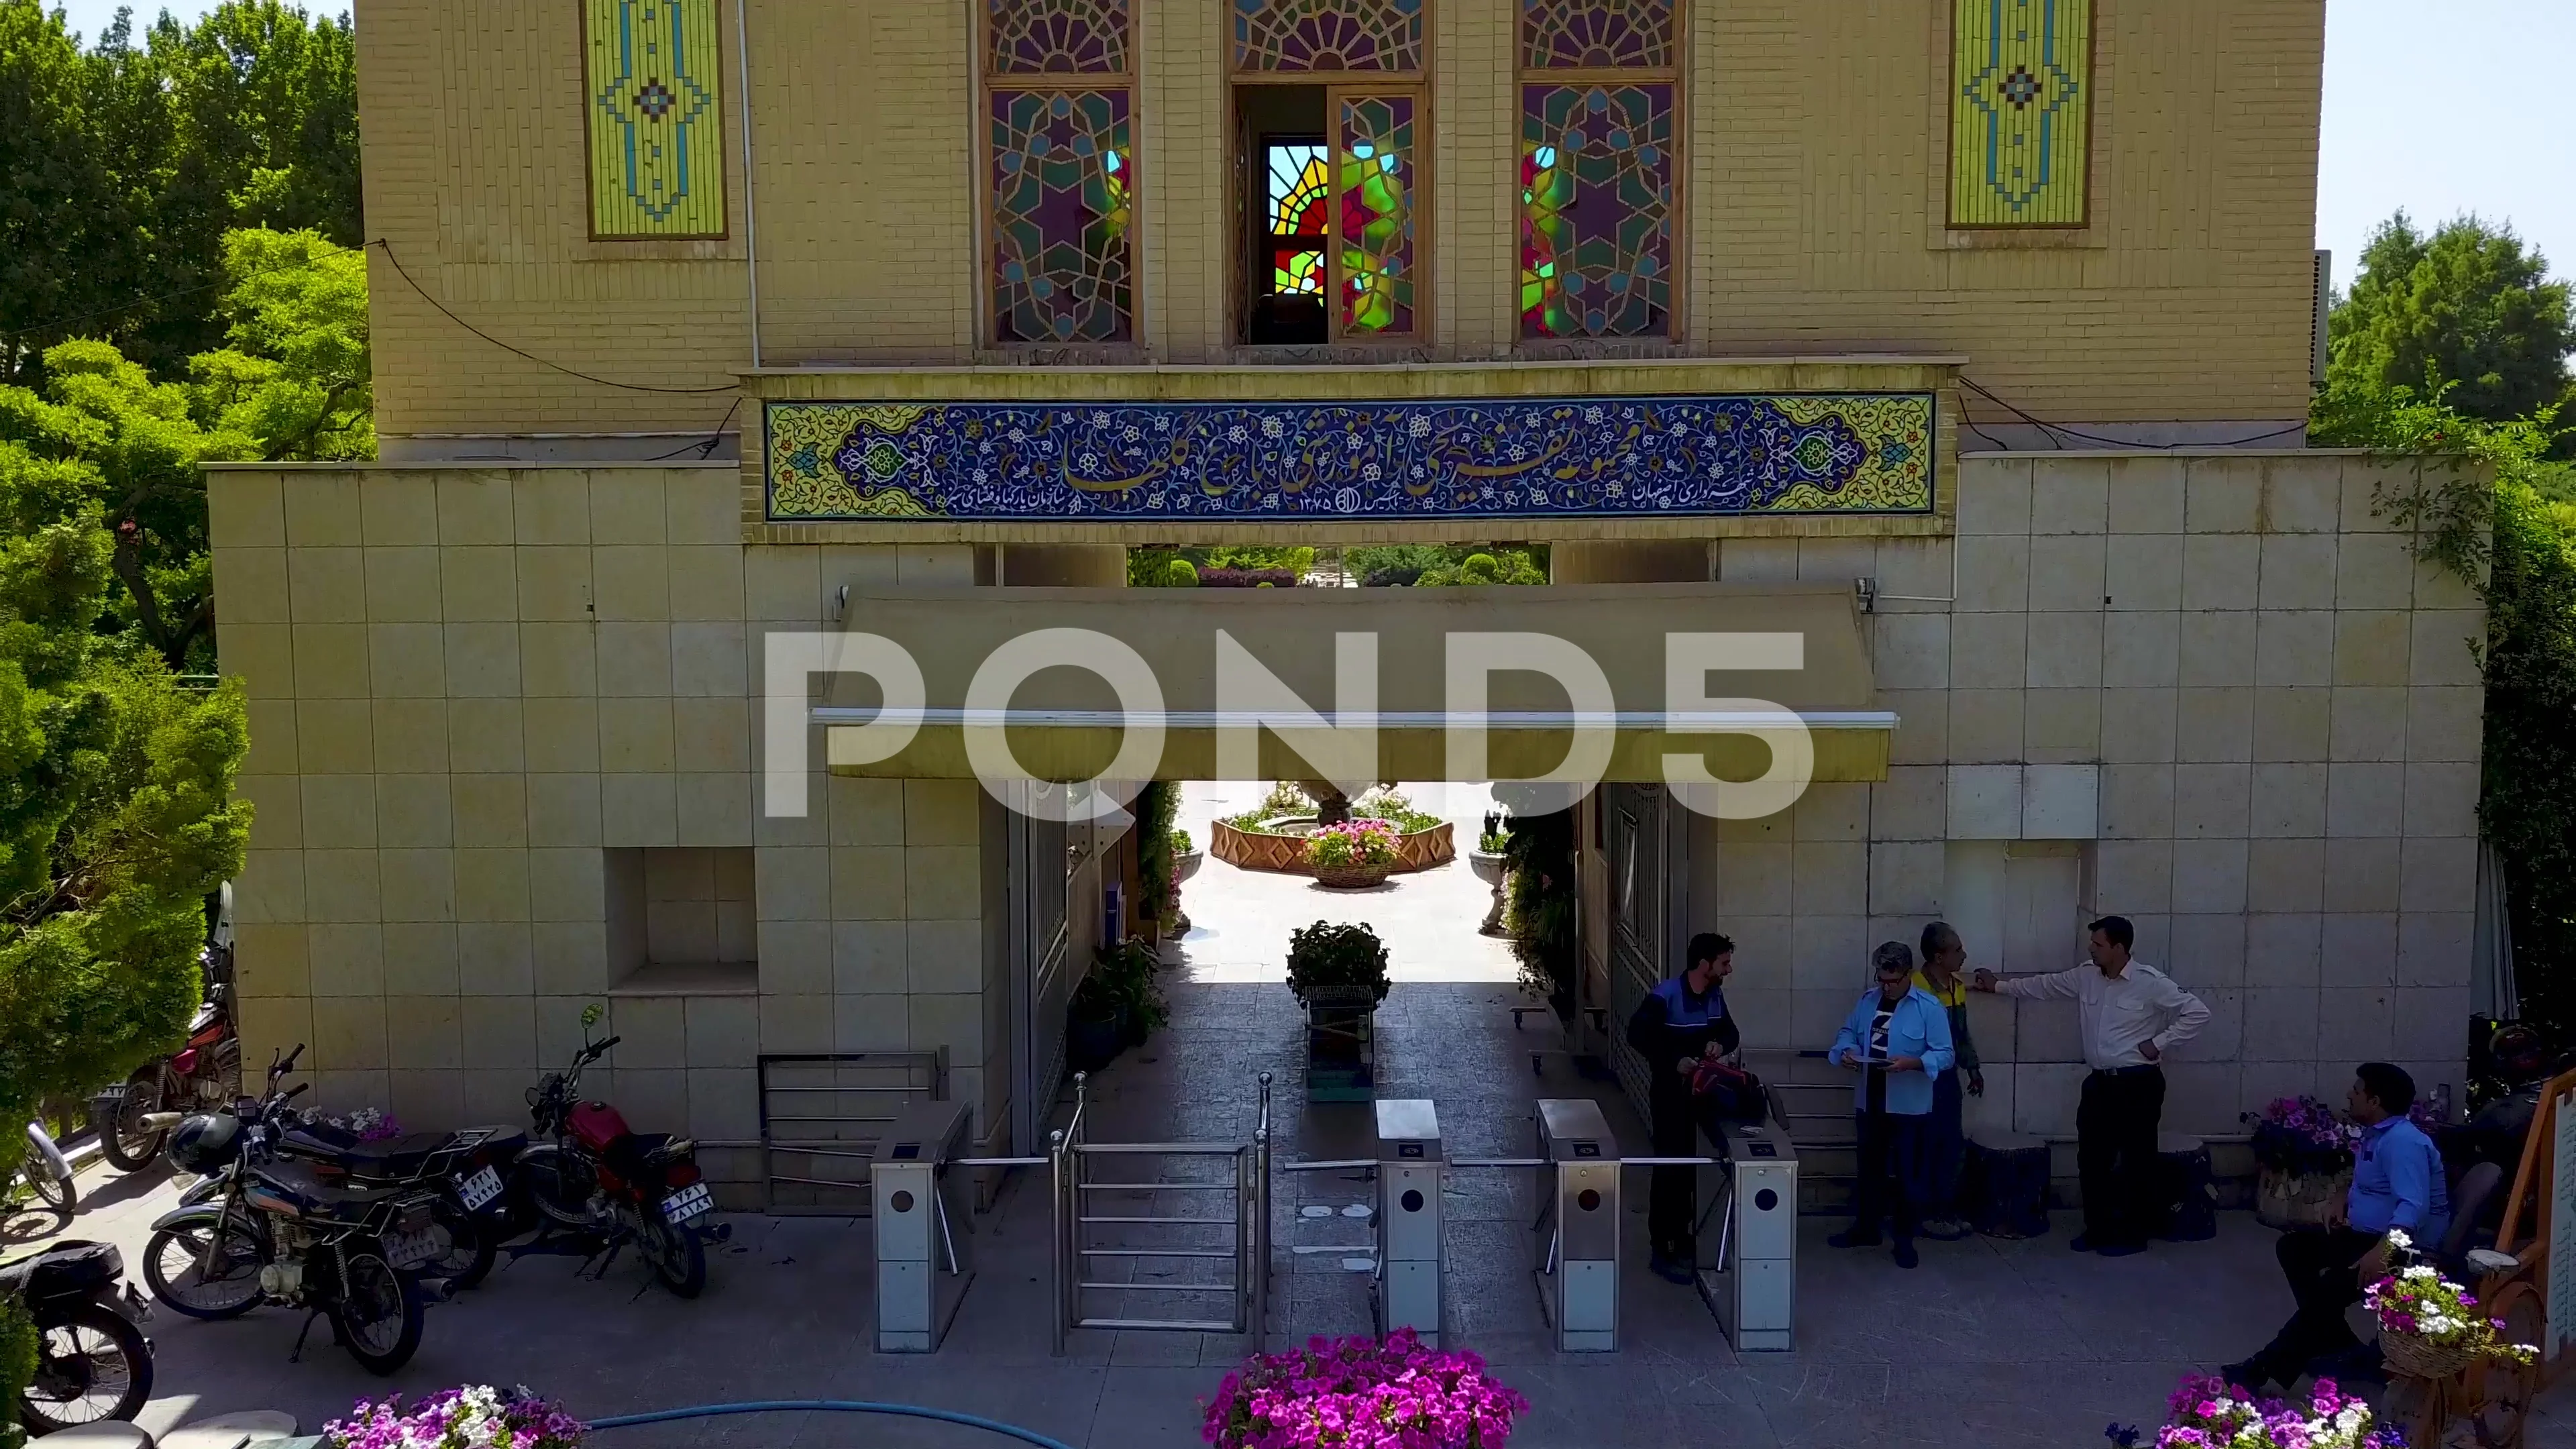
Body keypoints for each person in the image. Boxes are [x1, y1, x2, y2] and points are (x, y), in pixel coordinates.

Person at [1971, 914, 2208, 1256]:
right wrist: (1998, 986)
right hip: (2100, 1084)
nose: (2091, 949)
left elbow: (2197, 1013)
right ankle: (2097, 1229)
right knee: (2092, 1159)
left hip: (2138, 1084)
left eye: (2098, 944)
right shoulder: (2086, 976)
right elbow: (2044, 985)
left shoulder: (2149, 982)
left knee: (2136, 1160)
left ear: (2119, 948)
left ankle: (2132, 1235)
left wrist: (2160, 1043)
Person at [2226, 1063, 2452, 1393]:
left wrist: (2384, 1251)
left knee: (2331, 1289)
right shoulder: (2379, 1134)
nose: (2350, 1094)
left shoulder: (2403, 1143)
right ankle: (2344, 1348)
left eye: (2357, 1090)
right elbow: (2373, 1183)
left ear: (2374, 1102)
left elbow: (2413, 1206)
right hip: (2367, 1236)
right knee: (2294, 1249)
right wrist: (2342, 1197)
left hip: (2404, 1247)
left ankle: (2263, 1369)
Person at [1826, 941, 1955, 1270]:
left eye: (1892, 980)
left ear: (1907, 974)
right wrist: (1847, 1051)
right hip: (1870, 1100)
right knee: (1869, 1170)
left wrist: (1913, 1063)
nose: (1885, 985)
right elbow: (1846, 1032)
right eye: (1881, 979)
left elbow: (1946, 1053)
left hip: (1908, 1106)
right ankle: (1866, 1229)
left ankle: (1904, 1240)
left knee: (1907, 1176)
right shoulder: (1868, 1002)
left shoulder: (1928, 1007)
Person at [1625, 931, 1741, 1284]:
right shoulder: (1665, 996)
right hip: (1670, 1093)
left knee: (1691, 1167)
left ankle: (1685, 1235)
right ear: (1704, 964)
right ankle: (1663, 1246)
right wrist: (1673, 1060)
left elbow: (1730, 1033)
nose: (1729, 969)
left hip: (1702, 1092)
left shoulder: (1714, 996)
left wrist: (1717, 1045)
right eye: (1724, 963)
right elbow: (1637, 1036)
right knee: (1670, 1166)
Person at [1913, 922, 1982, 1240]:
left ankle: (1945, 1208)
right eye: (1957, 950)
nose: (1964, 955)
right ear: (1939, 957)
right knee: (1926, 1146)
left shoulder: (1956, 987)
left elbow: (1961, 1034)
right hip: (1921, 1077)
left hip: (1948, 1077)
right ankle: (1926, 1213)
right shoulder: (1915, 987)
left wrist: (1972, 1068)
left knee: (1952, 1145)